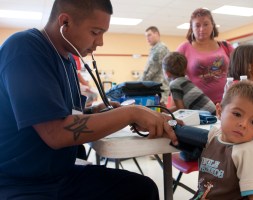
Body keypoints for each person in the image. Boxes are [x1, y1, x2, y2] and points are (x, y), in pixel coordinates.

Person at [0, 0, 179, 199]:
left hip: (60, 176)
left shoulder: (66, 60)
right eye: (95, 32)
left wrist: (94, 112)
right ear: (65, 22)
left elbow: (62, 115)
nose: (100, 42)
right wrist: (130, 113)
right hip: (20, 183)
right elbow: (56, 133)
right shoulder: (24, 49)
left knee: (143, 189)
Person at [191, 80, 253, 200]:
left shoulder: (247, 152)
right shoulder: (214, 135)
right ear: (219, 111)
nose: (244, 124)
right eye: (237, 114)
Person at [177, 8, 234, 104]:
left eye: (206, 24)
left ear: (212, 25)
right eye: (197, 25)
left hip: (227, 103)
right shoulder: (184, 48)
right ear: (192, 28)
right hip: (197, 106)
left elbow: (240, 66)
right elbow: (173, 77)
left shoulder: (225, 46)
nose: (202, 29)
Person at [139, 26, 170, 104]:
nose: (147, 38)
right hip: (154, 88)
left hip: (159, 89)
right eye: (146, 36)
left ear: (156, 34)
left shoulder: (160, 49)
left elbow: (151, 72)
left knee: (158, 113)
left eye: (149, 35)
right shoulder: (154, 49)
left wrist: (138, 85)